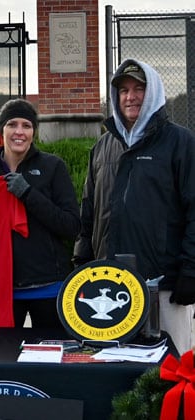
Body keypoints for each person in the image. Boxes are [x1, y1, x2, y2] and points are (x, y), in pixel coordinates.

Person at [73, 58, 195, 355]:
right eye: (124, 90)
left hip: (164, 287)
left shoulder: (180, 142)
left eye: (139, 88)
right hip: (111, 283)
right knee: (116, 371)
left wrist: (190, 270)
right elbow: (88, 208)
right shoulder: (102, 147)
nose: (130, 96)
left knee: (169, 371)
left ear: (152, 92)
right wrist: (81, 258)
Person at [0, 98, 81, 328]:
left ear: (34, 131)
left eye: (27, 125)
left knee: (50, 357)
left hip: (48, 286)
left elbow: (71, 225)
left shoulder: (53, 166)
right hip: (3, 288)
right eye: (12, 124)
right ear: (1, 128)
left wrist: (28, 194)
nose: (19, 132)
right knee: (3, 360)